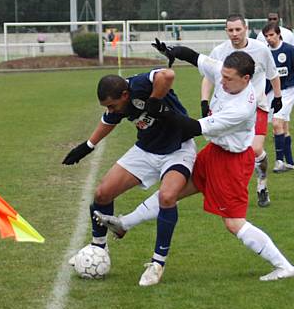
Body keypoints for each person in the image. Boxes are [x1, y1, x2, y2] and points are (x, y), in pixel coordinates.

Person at [96, 42, 294, 282]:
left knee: (233, 223)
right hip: (214, 153)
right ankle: (124, 224)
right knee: (170, 193)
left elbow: (192, 127)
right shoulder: (226, 71)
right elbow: (195, 58)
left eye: (228, 79)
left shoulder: (241, 108)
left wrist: (161, 110)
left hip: (232, 163)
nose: (221, 82)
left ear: (246, 79)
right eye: (222, 76)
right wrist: (173, 51)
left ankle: (284, 266)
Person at [62, 68, 197, 287]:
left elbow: (167, 75)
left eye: (112, 105)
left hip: (178, 149)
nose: (110, 109)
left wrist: (154, 101)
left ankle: (157, 264)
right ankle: (98, 248)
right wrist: (87, 146)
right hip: (146, 150)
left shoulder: (140, 84)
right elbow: (109, 121)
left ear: (125, 95)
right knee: (102, 194)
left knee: (167, 197)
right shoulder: (118, 104)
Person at [201, 14, 282, 207]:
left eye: (238, 29)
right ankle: (223, 188)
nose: (234, 34)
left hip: (258, 106)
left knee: (255, 149)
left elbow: (273, 75)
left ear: (245, 29)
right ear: (226, 31)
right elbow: (208, 76)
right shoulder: (219, 51)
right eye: (230, 30)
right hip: (229, 108)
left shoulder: (261, 50)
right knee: (223, 148)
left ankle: (262, 185)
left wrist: (277, 97)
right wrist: (204, 101)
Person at [262, 23, 294, 173]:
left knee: (276, 123)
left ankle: (278, 162)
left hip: (288, 91)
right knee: (283, 127)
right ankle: (290, 163)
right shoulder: (264, 53)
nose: (269, 38)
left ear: (278, 34)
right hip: (271, 93)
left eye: (271, 35)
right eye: (266, 36)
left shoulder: (290, 50)